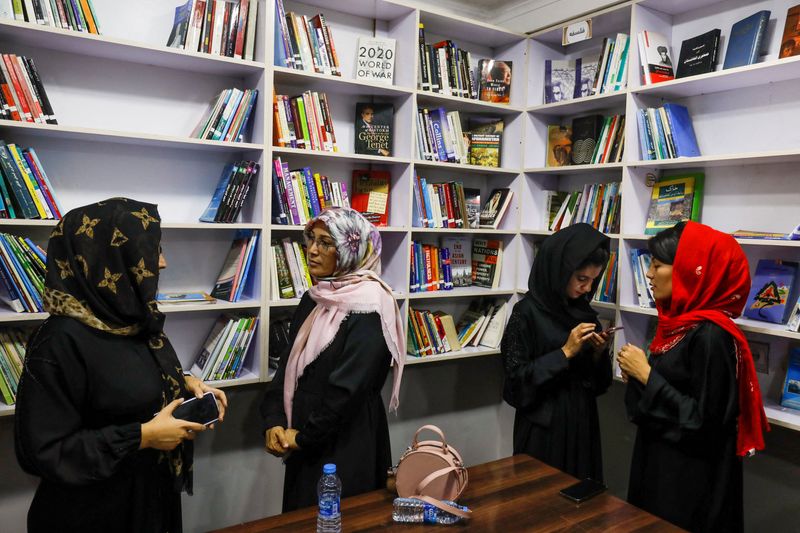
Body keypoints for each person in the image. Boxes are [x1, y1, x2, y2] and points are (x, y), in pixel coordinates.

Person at [14, 198, 228, 533]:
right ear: (107, 258)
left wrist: (182, 382)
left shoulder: (130, 318)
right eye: (151, 250)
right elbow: (42, 451)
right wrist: (142, 437)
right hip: (92, 516)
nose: (162, 263)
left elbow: (122, 374)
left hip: (150, 502)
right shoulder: (58, 340)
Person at [617, 221, 769, 532]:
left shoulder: (711, 335)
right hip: (662, 465)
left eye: (657, 265)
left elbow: (706, 423)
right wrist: (637, 375)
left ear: (689, 269)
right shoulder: (678, 322)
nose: (648, 274)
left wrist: (646, 375)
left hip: (690, 482)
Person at [260, 206, 405, 512]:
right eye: (310, 239)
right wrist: (273, 420)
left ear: (351, 250)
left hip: (345, 443)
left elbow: (348, 391)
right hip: (302, 438)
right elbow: (288, 365)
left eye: (326, 243)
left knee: (342, 518)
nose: (312, 250)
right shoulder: (315, 296)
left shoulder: (371, 307)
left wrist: (303, 438)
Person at [501, 223, 613, 481]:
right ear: (559, 272)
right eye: (581, 279)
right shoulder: (525, 313)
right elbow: (516, 383)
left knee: (581, 501)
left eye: (593, 281)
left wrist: (597, 355)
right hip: (543, 428)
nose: (586, 288)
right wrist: (565, 352)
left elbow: (596, 384)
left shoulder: (583, 311)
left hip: (581, 421)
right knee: (540, 502)